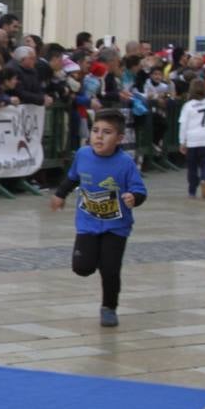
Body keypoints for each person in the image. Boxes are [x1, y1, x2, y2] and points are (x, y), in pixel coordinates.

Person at [50, 109, 147, 326]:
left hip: (117, 226)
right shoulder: (83, 155)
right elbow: (72, 177)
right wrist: (60, 194)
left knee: (110, 269)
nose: (99, 136)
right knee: (82, 267)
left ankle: (109, 307)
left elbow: (140, 189)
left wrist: (134, 197)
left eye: (107, 132)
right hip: (87, 223)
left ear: (119, 138)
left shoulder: (125, 163)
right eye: (95, 131)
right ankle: (92, 260)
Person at [179, 77, 205, 199]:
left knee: (192, 167)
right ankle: (204, 179)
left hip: (192, 140)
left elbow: (183, 124)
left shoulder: (188, 106)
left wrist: (182, 141)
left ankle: (192, 191)